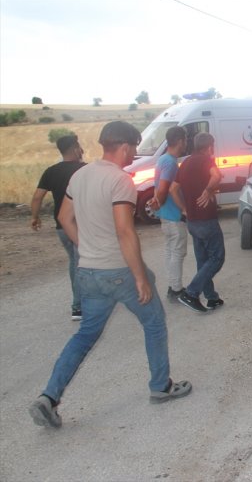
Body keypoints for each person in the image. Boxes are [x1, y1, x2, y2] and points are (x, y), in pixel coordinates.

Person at [29, 121, 192, 429]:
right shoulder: (121, 181)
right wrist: (140, 277)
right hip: (119, 271)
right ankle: (161, 386)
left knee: (85, 336)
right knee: (154, 322)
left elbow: (64, 218)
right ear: (125, 146)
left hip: (88, 272)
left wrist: (87, 247)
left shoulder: (80, 175)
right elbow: (124, 231)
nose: (134, 154)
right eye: (134, 147)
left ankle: (48, 397)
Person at [30, 134, 86, 320]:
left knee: (74, 261)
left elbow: (37, 197)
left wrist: (35, 217)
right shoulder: (84, 170)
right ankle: (79, 306)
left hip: (61, 227)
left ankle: (82, 302)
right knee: (82, 263)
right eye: (79, 146)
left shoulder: (51, 171)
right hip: (80, 225)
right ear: (75, 148)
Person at [175, 132, 225, 313]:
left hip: (192, 221)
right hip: (206, 220)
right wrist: (209, 189)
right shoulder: (206, 160)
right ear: (209, 146)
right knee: (217, 259)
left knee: (203, 260)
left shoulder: (186, 162)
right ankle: (191, 293)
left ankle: (211, 298)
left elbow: (173, 189)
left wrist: (184, 209)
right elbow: (216, 175)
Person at [150, 126, 188, 303]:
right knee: (177, 252)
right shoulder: (171, 162)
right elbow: (165, 188)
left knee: (170, 251)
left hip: (165, 215)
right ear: (180, 141)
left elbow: (157, 186)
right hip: (173, 215)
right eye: (185, 140)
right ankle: (176, 289)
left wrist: (157, 202)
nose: (186, 143)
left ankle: (173, 285)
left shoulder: (163, 159)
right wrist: (183, 209)